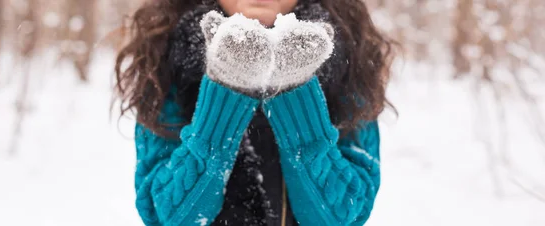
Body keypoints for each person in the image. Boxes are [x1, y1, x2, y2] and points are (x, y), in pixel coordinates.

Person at [115, 0, 394, 225]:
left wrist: (295, 89)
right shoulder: (165, 56)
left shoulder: (348, 57)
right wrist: (226, 87)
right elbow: (169, 218)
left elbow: (341, 215)